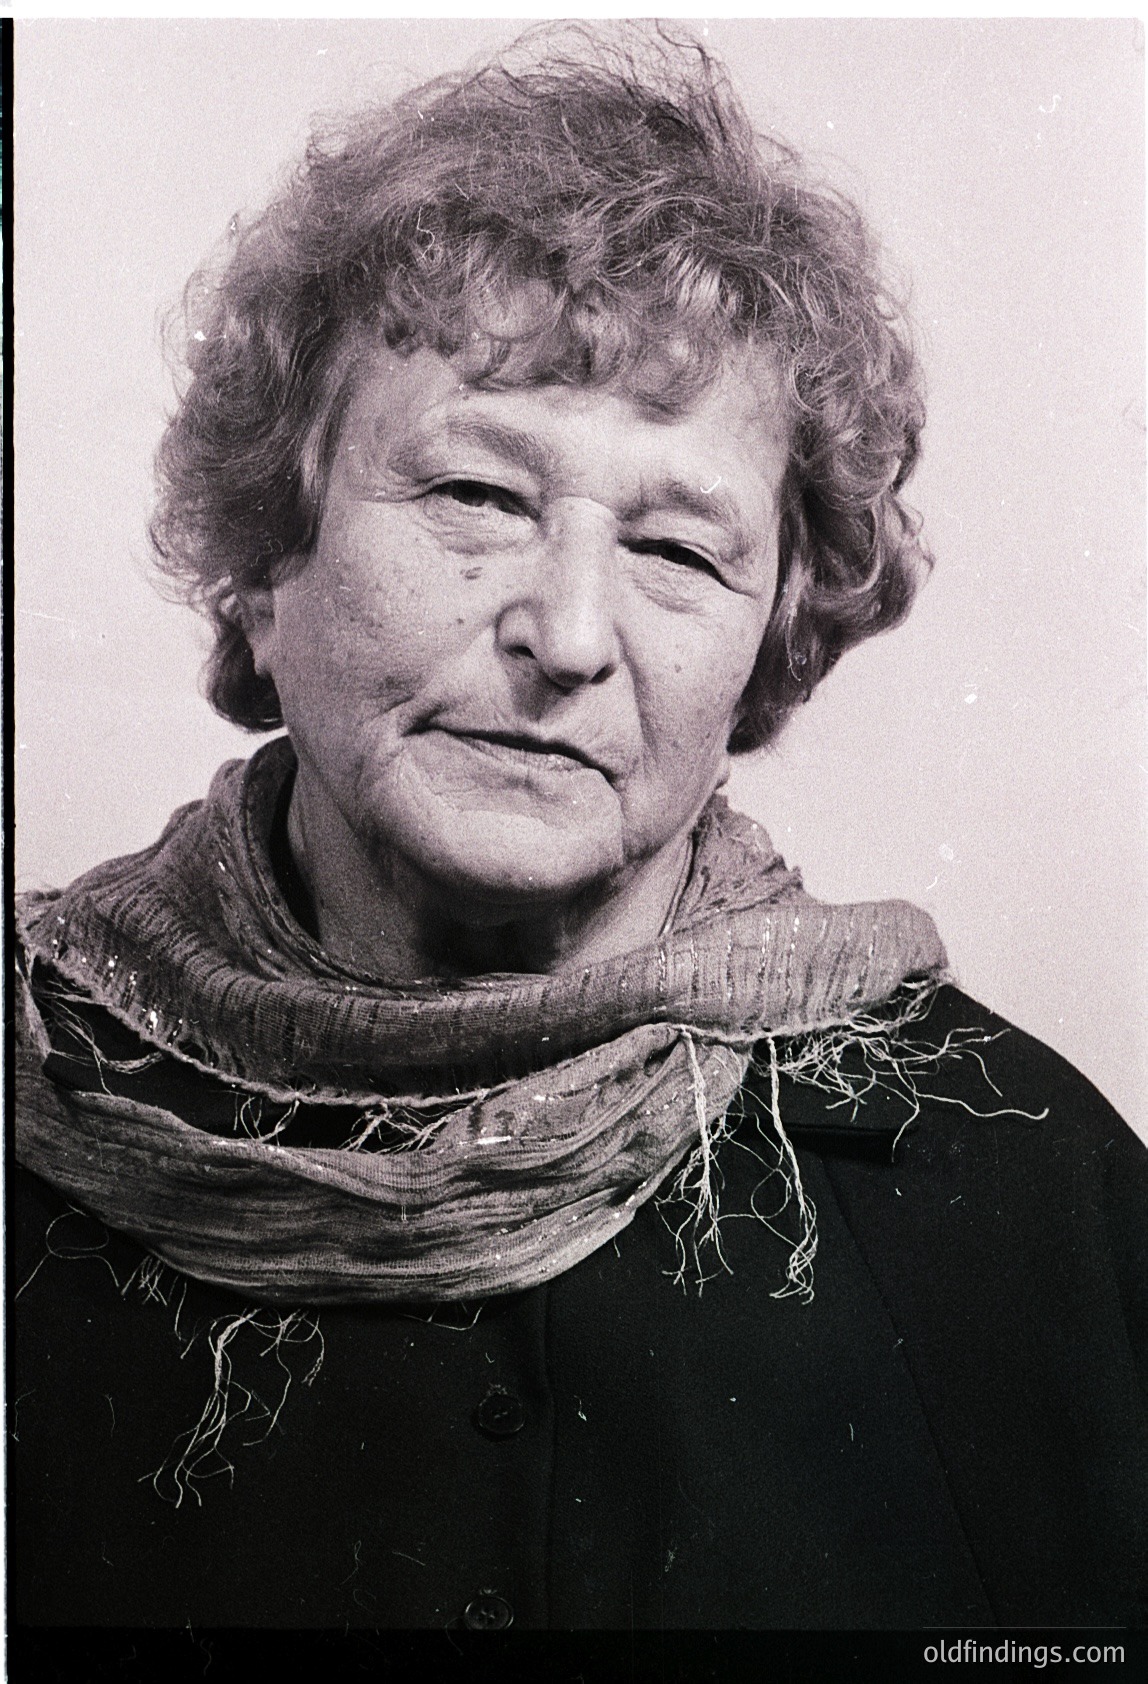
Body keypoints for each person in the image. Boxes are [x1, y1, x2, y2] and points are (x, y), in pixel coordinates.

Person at [11, 28, 1146, 1635]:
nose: (567, 634)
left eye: (678, 551)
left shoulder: (1034, 1203)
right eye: (477, 496)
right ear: (267, 555)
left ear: (770, 646)